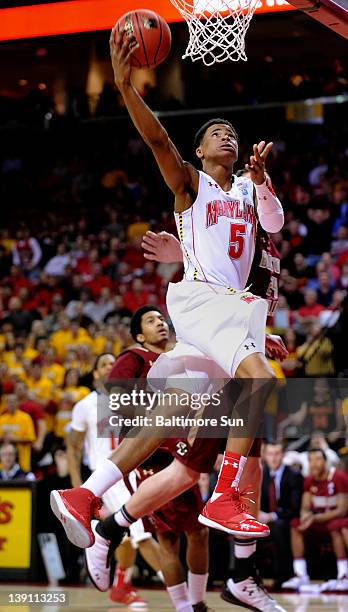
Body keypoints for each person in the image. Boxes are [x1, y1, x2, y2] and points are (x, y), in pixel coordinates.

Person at [51, 22, 284, 590]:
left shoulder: (249, 194)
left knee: (166, 421)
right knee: (260, 382)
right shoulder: (191, 185)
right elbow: (158, 141)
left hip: (225, 313)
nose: (227, 136)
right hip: (209, 305)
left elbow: (270, 235)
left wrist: (263, 183)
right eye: (216, 133)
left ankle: (87, 496)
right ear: (201, 151)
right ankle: (227, 499)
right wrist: (127, 86)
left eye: (233, 130)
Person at [67, 351, 162, 608]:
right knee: (140, 533)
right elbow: (73, 446)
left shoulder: (131, 401)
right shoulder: (86, 405)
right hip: (107, 477)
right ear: (97, 373)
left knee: (128, 536)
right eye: (105, 364)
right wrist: (80, 486)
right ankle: (178, 586)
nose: (112, 367)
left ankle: (121, 584)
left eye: (115, 363)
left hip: (132, 473)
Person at [282, 448, 348, 591]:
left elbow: (342, 510)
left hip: (336, 520)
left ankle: (344, 575)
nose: (314, 464)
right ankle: (300, 574)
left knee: (337, 526)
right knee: (295, 524)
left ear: (326, 461)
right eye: (310, 460)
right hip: (319, 523)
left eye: (317, 459)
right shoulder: (308, 481)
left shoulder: (339, 477)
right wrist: (305, 517)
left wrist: (314, 518)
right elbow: (305, 507)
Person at [260, 442, 303, 588]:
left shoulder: (294, 475)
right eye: (270, 454)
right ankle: (247, 576)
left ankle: (282, 577)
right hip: (262, 517)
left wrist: (272, 516)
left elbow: (294, 507)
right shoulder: (259, 474)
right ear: (265, 456)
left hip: (284, 519)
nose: (273, 458)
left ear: (283, 455)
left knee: (279, 527)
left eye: (277, 454)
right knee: (245, 529)